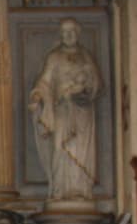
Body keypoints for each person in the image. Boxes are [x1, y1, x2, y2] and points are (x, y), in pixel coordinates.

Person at [29, 18, 103, 202]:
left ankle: (80, 190)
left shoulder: (86, 56)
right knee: (60, 147)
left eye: (71, 31)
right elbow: (44, 81)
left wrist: (86, 89)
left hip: (82, 110)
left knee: (80, 150)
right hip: (61, 108)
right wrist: (38, 96)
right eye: (64, 32)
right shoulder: (54, 57)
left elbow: (97, 83)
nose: (68, 35)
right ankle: (60, 190)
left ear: (78, 33)